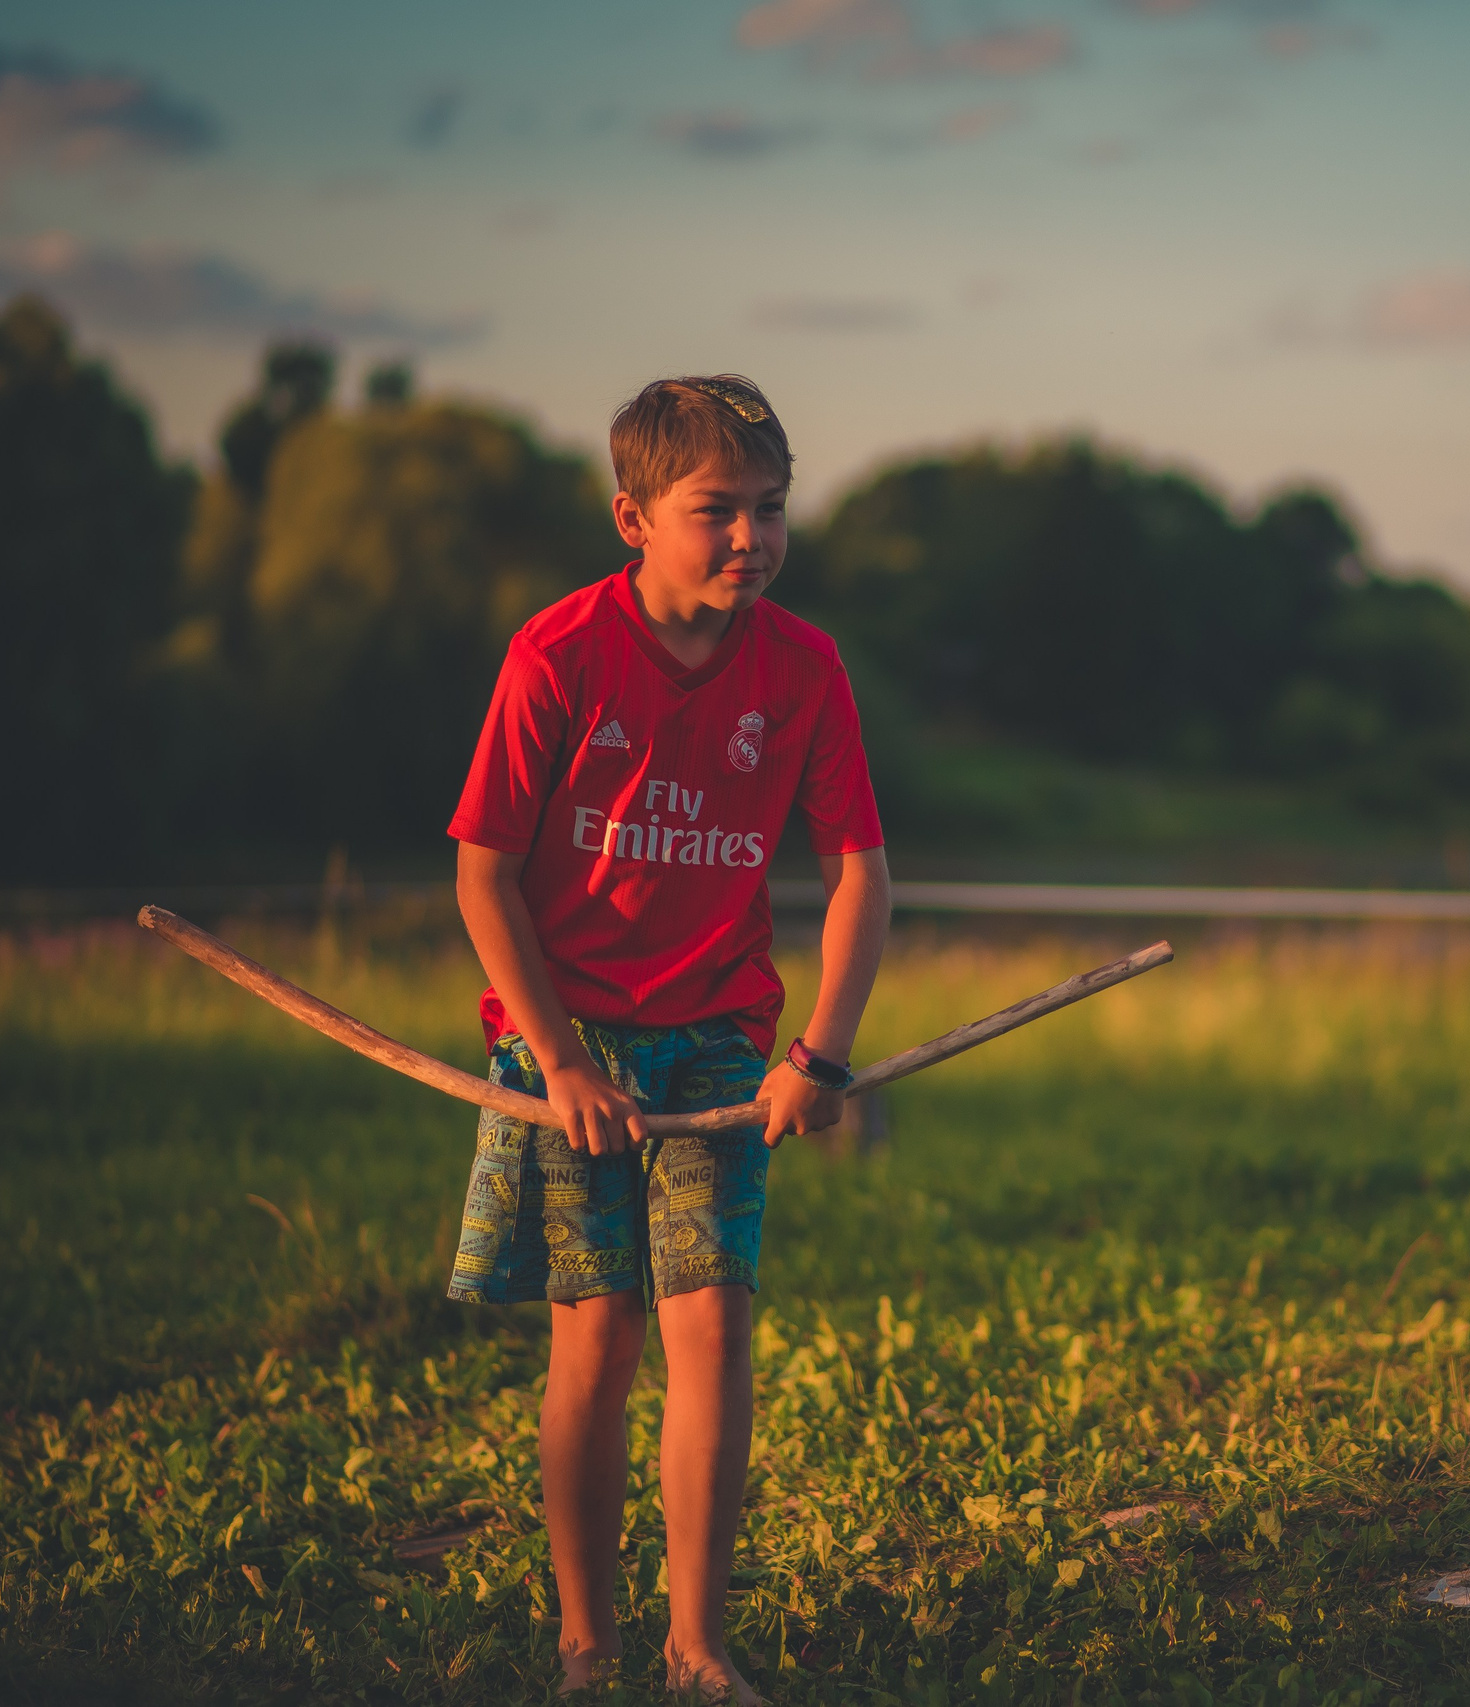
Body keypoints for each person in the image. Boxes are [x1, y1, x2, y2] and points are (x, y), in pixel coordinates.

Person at [446, 374, 890, 1703]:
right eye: (717, 510)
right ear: (633, 518)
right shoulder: (558, 655)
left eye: (772, 508)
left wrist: (818, 1054)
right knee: (597, 1336)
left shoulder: (803, 669)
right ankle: (588, 1647)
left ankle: (699, 1649)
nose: (752, 537)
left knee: (712, 1328)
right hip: (568, 1044)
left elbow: (859, 873)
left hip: (717, 1042)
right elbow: (483, 875)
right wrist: (563, 1062)